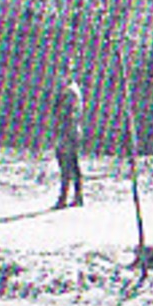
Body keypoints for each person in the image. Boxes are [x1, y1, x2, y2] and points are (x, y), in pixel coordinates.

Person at [53, 66, 84, 209]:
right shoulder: (72, 90)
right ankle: (78, 196)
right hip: (73, 130)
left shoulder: (70, 92)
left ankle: (64, 198)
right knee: (73, 164)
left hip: (68, 131)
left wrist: (61, 134)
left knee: (66, 165)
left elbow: (65, 114)